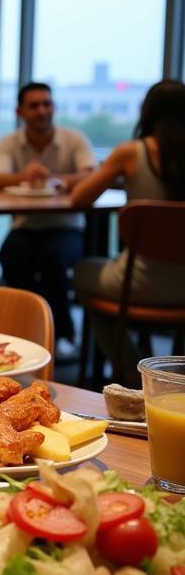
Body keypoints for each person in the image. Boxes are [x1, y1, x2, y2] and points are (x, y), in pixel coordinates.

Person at [71, 80, 185, 384]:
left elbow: (79, 198)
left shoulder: (131, 153)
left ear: (145, 111)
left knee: (83, 270)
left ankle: (132, 369)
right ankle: (171, 372)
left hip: (139, 284)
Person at [0, 81, 96, 358]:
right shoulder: (10, 142)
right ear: (20, 111)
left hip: (67, 227)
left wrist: (59, 180)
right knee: (11, 255)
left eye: (47, 104)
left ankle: (62, 334)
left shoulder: (74, 139)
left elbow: (91, 174)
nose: (42, 111)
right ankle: (22, 332)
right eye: (34, 105)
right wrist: (23, 176)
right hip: (27, 226)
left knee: (52, 259)